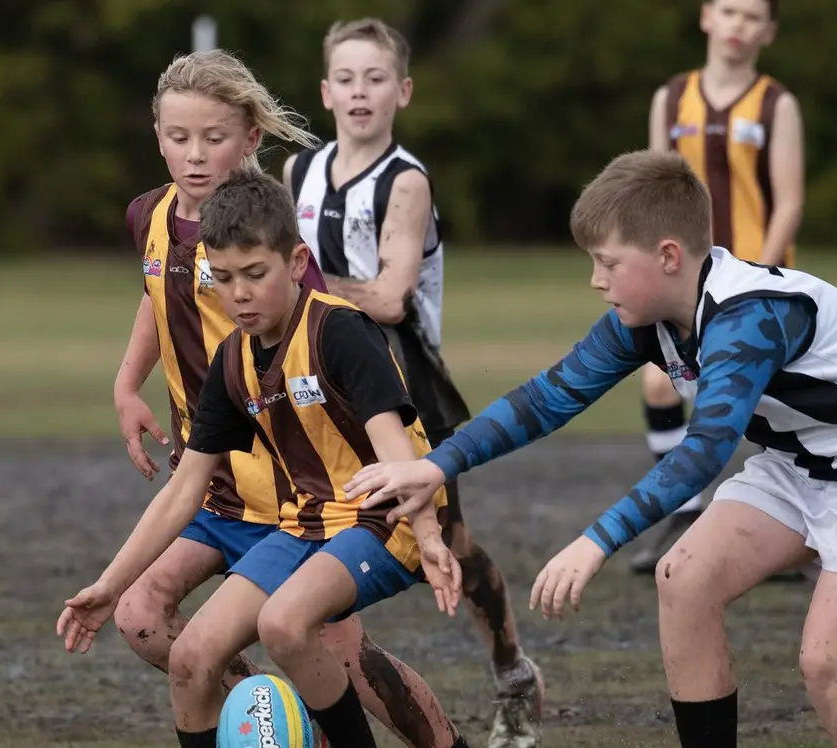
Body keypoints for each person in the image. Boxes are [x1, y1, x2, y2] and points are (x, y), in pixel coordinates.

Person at [346, 150, 837, 748]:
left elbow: (704, 453)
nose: (596, 280)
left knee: (828, 664)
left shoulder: (748, 317)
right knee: (684, 578)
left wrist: (596, 540)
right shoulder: (647, 322)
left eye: (608, 263)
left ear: (668, 256)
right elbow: (547, 398)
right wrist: (435, 464)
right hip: (807, 458)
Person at [100, 49, 470, 748]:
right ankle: (273, 722)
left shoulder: (270, 239)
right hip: (215, 479)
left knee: (335, 653)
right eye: (180, 138)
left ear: (250, 140)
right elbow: (158, 295)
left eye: (214, 138)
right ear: (156, 135)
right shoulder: (149, 216)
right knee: (145, 616)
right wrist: (126, 383)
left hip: (305, 486)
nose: (195, 155)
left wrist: (400, 492)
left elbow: (334, 355)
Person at [282, 18, 544, 748]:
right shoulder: (297, 171)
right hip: (317, 386)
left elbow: (392, 298)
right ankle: (325, 692)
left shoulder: (405, 181)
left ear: (402, 90)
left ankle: (512, 671)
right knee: (303, 529)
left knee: (450, 543)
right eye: (346, 78)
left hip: (405, 386)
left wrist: (296, 283)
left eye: (375, 79)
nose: (359, 92)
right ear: (325, 91)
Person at [631, 0, 806, 575]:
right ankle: (685, 512)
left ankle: (793, 533)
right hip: (687, 279)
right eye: (729, 11)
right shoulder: (672, 98)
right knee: (658, 384)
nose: (739, 25)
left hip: (754, 279)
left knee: (768, 407)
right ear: (706, 17)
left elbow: (788, 200)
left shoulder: (777, 105)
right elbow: (654, 190)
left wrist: (762, 276)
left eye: (753, 16)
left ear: (770, 32)